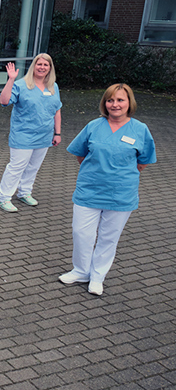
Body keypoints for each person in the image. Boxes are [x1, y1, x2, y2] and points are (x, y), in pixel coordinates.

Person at [59, 84, 156, 296]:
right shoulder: (94, 125)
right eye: (110, 100)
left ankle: (97, 276)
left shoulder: (140, 129)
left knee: (108, 238)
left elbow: (143, 161)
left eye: (120, 100)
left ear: (129, 103)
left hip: (121, 194)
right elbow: (80, 153)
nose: (115, 104)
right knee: (81, 233)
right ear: (105, 103)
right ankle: (81, 271)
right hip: (89, 190)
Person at [0, 54, 62, 212]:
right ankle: (4, 197)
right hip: (23, 135)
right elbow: (4, 101)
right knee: (17, 167)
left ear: (50, 68)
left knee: (33, 167)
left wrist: (57, 133)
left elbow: (57, 110)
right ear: (34, 66)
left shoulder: (53, 86)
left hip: (44, 136)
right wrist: (11, 79)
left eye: (46, 65)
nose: (42, 67)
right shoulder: (21, 85)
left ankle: (24, 192)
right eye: (39, 64)